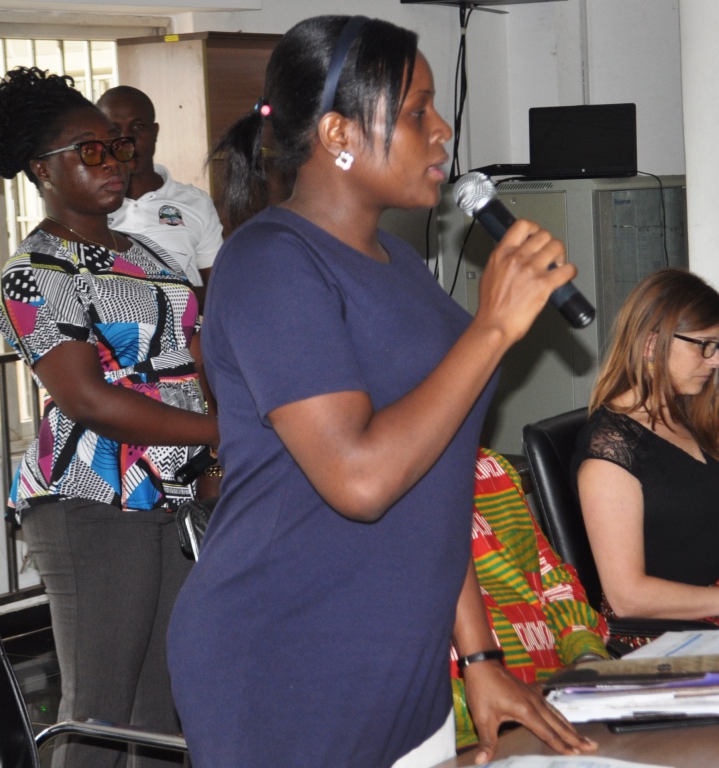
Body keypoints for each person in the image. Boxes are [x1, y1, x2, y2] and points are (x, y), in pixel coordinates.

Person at [166, 16, 592, 768]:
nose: (443, 128)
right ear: (337, 132)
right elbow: (360, 480)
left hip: (405, 670)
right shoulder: (270, 265)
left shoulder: (398, 262)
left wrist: (482, 658)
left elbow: (438, 472)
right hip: (288, 661)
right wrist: (490, 329)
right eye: (416, 111)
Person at [0, 67, 219, 767]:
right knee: (99, 715)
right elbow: (88, 400)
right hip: (91, 499)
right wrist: (220, 435)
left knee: (161, 711)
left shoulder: (150, 255)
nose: (116, 162)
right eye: (92, 150)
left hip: (168, 493)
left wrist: (214, 455)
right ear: (41, 170)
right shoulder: (36, 272)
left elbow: (197, 362)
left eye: (118, 146)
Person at [572, 269, 719, 643]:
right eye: (704, 345)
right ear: (652, 344)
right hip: (665, 635)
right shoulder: (610, 450)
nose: (716, 361)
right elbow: (628, 598)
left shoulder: (687, 416)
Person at [452, 448, 609, 750]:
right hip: (468, 737)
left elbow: (554, 581)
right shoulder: (367, 500)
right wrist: (513, 698)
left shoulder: (491, 469)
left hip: (557, 704)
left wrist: (586, 658)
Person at [97, 85, 224, 305]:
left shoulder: (196, 202)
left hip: (187, 337)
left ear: (155, 132)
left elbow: (219, 294)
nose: (127, 139)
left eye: (137, 126)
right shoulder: (89, 208)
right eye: (115, 131)